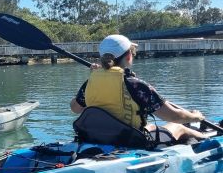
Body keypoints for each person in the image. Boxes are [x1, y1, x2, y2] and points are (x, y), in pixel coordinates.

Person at [70, 34, 206, 143]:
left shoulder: (90, 82)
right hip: (130, 140)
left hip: (98, 138)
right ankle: (208, 140)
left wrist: (99, 77)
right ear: (129, 56)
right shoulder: (135, 85)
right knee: (178, 126)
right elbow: (173, 116)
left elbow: (75, 108)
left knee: (152, 127)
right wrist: (196, 117)